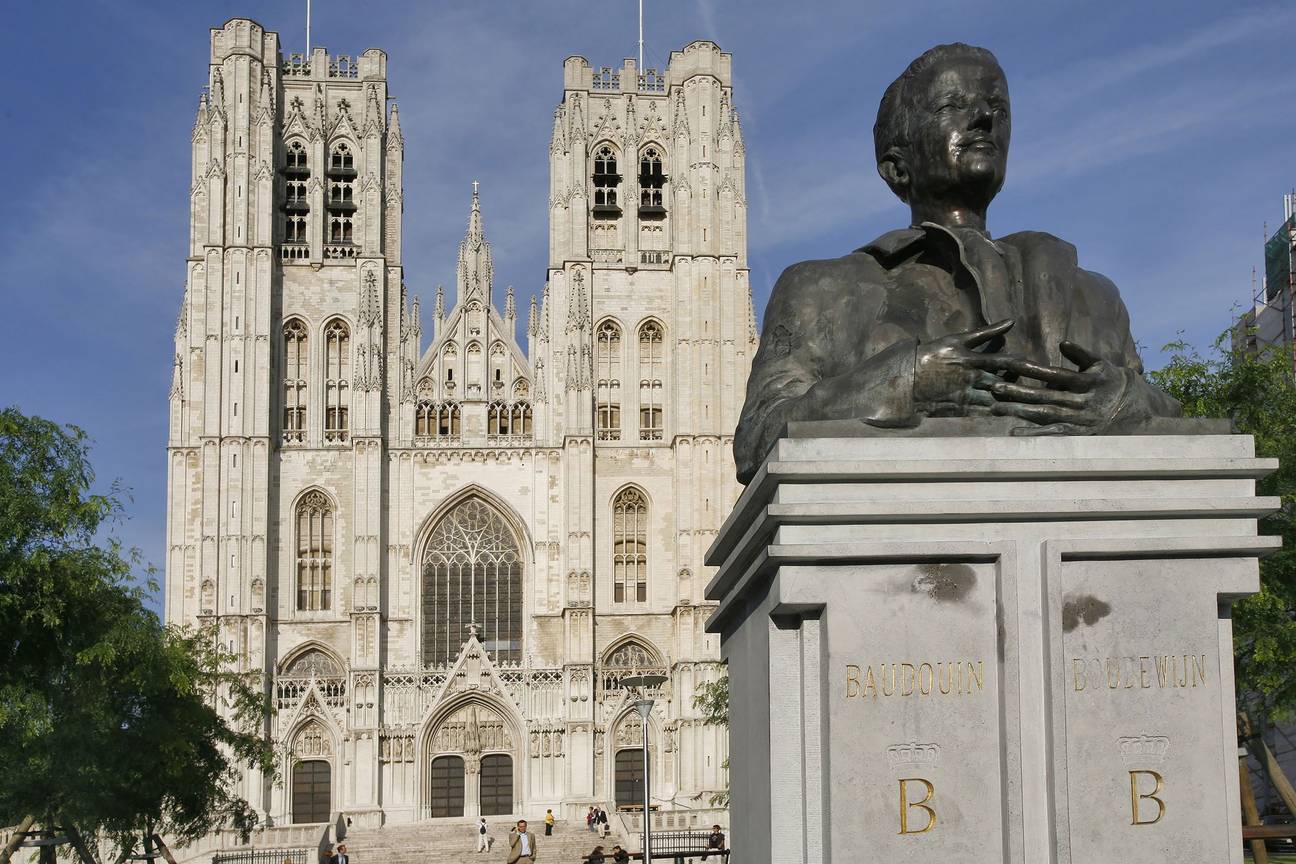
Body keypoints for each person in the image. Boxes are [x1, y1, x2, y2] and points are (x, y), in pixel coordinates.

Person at [734, 43, 1180, 484]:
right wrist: (905, 381)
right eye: (952, 105)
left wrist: (1125, 401)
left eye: (998, 109)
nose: (985, 117)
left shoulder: (1094, 295)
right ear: (896, 167)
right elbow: (757, 440)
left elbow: (1170, 418)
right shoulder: (821, 289)